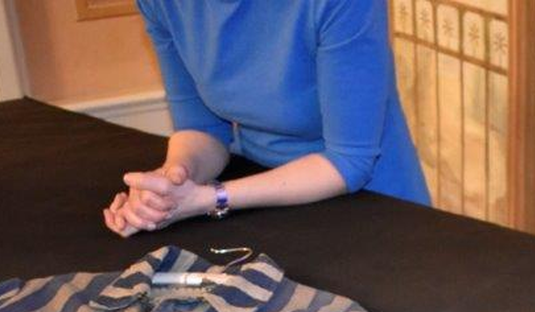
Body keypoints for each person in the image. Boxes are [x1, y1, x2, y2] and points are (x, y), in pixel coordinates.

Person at [104, 0, 430, 237]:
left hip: (371, 204)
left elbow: (350, 161)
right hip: (260, 196)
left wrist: (210, 198)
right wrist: (170, 183)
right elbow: (201, 128)